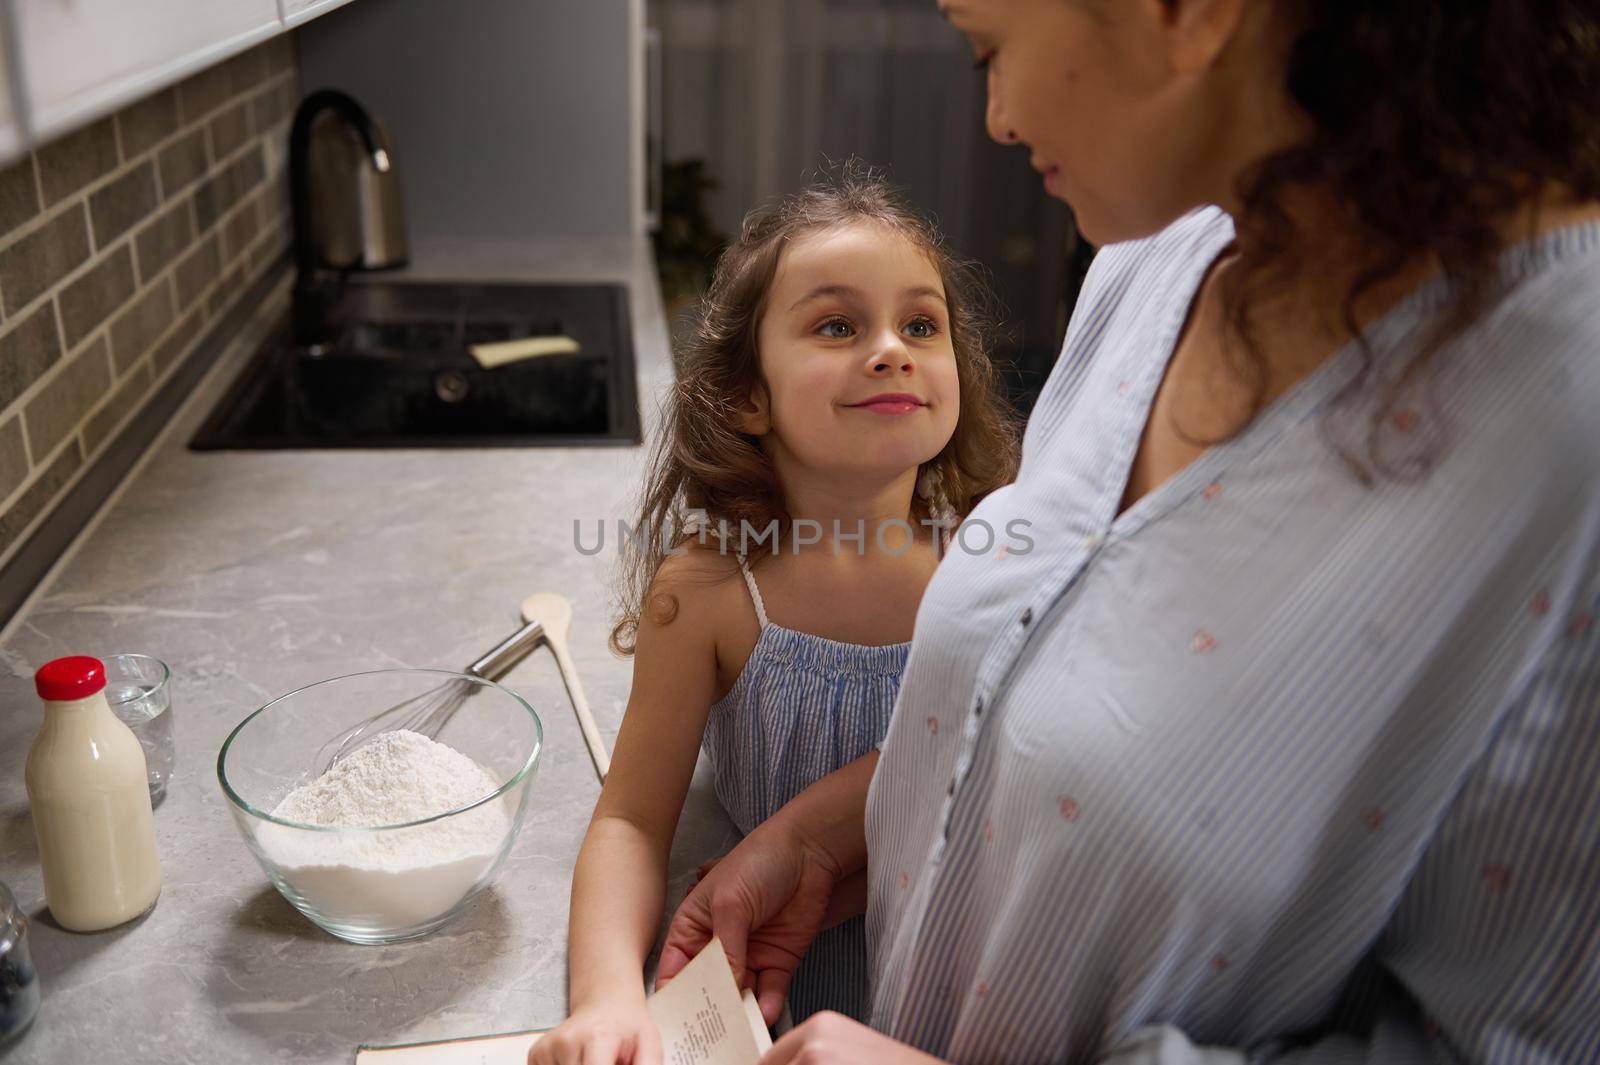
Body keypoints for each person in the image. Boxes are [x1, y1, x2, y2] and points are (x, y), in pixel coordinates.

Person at [654, 1, 1600, 1061]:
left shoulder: (1569, 440)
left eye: (991, 50)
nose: (998, 120)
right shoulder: (1162, 252)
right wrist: (827, 838)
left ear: (1186, 13)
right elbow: (1076, 716)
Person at [529, 168, 1020, 1065]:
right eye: (837, 325)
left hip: (958, 1002)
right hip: (768, 998)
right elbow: (630, 822)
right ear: (747, 395)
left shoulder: (987, 564)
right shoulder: (712, 594)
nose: (891, 349)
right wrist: (606, 998)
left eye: (921, 324)